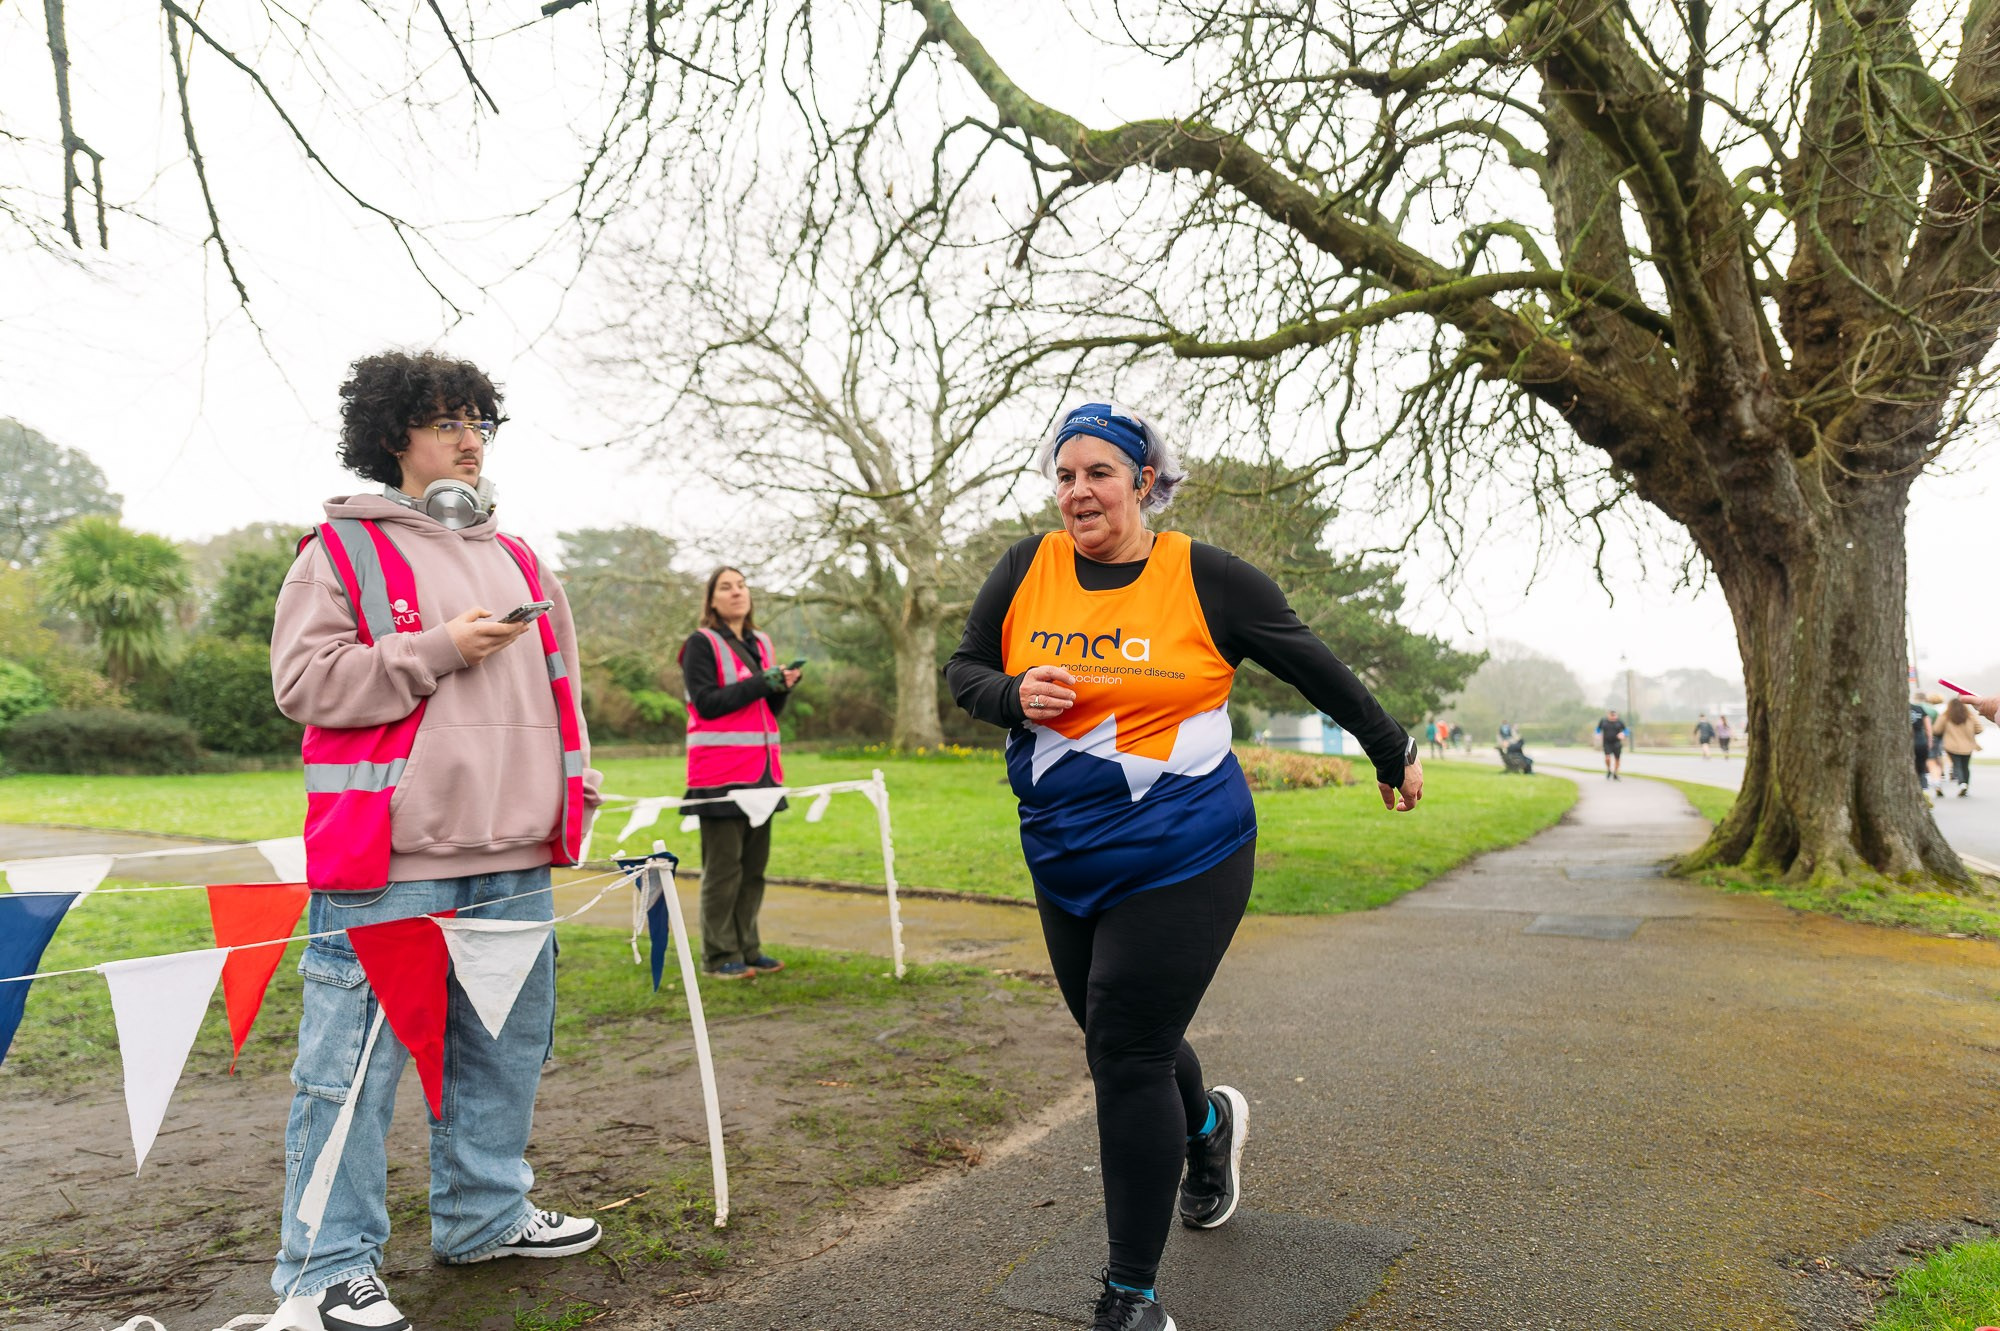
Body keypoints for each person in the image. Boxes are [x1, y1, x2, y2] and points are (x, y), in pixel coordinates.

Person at [945, 402, 1421, 1331]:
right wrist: (1010, 692)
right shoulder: (1025, 567)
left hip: (1186, 846)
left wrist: (1388, 744)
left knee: (1126, 1050)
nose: (1079, 491)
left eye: (1099, 472)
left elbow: (1310, 662)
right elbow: (965, 669)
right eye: (1065, 475)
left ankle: (1131, 1297)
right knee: (1119, 1035)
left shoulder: (1206, 577)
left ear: (1144, 480)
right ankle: (1208, 1129)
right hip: (1063, 849)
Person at [267, 350, 604, 1331]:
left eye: (479, 422)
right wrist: (438, 648)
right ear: (392, 436)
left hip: (516, 853)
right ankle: (324, 1268)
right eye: (447, 421)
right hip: (391, 861)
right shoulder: (337, 550)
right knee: (350, 1072)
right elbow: (304, 683)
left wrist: (571, 791)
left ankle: (484, 1216)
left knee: (502, 1052)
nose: (469, 439)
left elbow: (563, 692)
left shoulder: (523, 559)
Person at [680, 568, 802, 980]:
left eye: (742, 585)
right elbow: (707, 703)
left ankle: (748, 948)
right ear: (711, 600)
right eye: (726, 587)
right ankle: (719, 955)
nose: (737, 592)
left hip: (763, 773)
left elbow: (767, 708)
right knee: (724, 871)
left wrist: (781, 686)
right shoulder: (701, 643)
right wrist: (763, 682)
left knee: (753, 870)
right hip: (719, 775)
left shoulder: (761, 642)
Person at [1940, 695, 1985, 796]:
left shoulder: (1945, 717)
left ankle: (1962, 783)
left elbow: (1937, 729)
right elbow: (1979, 729)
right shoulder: (1970, 717)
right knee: (1965, 766)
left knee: (1957, 765)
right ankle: (1966, 786)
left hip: (1951, 745)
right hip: (1967, 746)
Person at [1911, 692, 1938, 793]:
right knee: (1921, 766)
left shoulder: (1900, 709)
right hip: (1921, 741)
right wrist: (1930, 741)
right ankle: (1923, 788)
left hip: (1908, 742)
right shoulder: (1919, 709)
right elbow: (1928, 728)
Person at [1596, 708, 1629, 780]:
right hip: (1607, 742)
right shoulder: (1603, 721)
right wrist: (1598, 734)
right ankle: (1609, 770)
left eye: (1614, 715)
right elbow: (1598, 729)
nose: (1613, 717)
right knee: (1607, 757)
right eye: (1611, 715)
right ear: (1608, 715)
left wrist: (1623, 734)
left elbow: (1626, 730)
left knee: (1617, 758)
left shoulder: (1620, 722)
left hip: (1616, 742)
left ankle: (1615, 773)